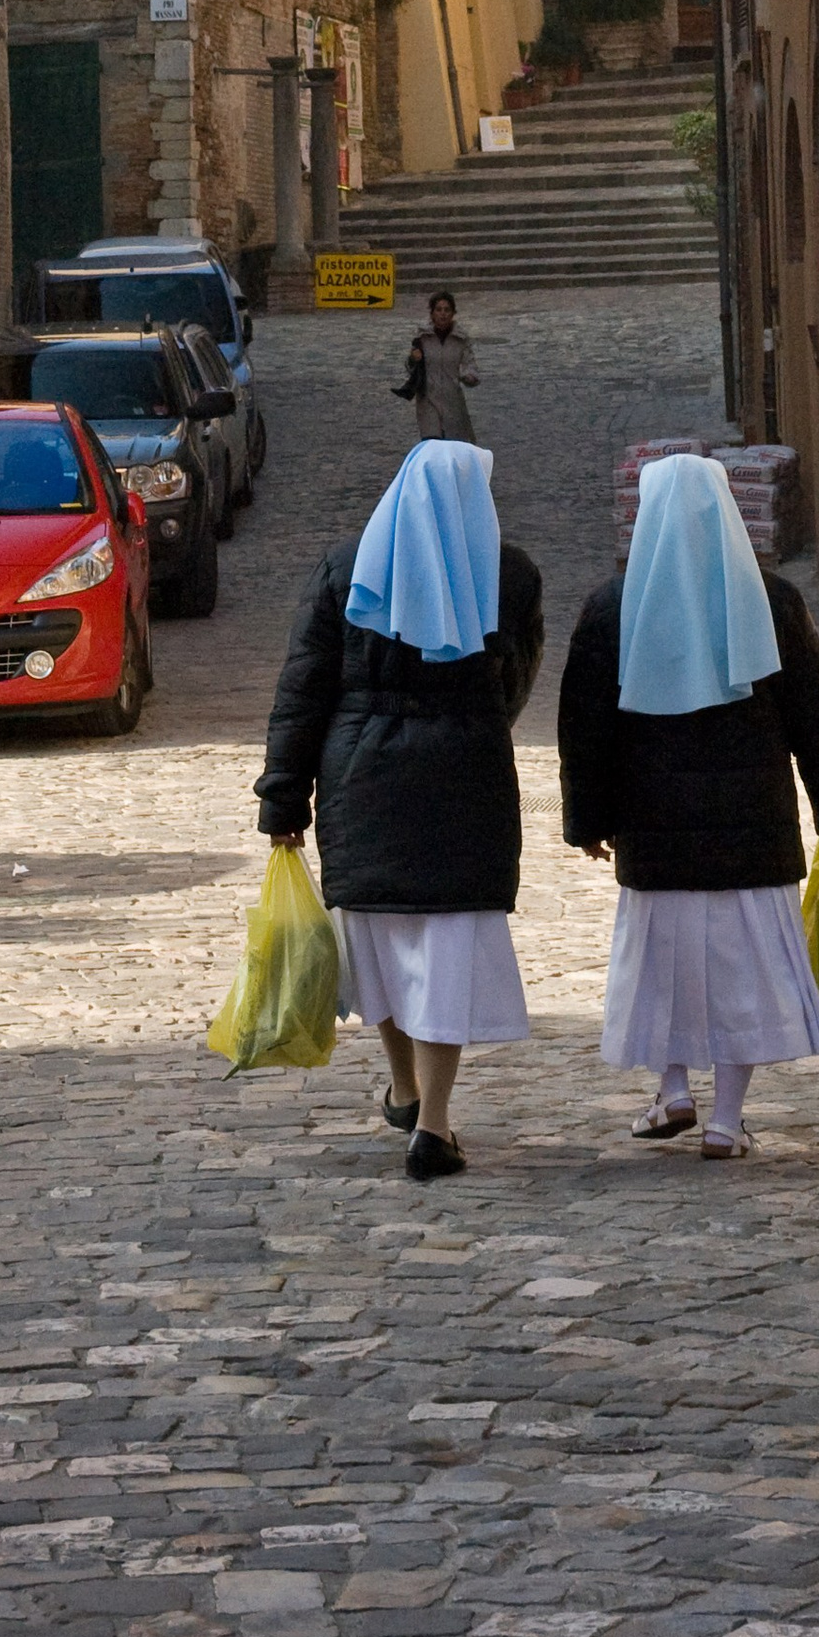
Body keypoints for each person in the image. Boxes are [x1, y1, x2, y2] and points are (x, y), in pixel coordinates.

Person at [558, 453, 819, 1159]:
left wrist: (588, 819)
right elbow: (817, 718)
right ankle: (726, 1120)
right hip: (751, 836)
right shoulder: (773, 601)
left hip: (654, 835)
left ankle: (672, 1088)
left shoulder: (614, 608)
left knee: (661, 972)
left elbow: (584, 726)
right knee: (743, 980)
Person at [255, 439, 541, 1183]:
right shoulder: (508, 574)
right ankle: (435, 1124)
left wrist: (284, 796)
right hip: (465, 778)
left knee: (378, 940)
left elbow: (302, 688)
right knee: (444, 952)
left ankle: (405, 1086)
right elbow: (515, 682)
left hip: (362, 778)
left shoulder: (345, 566)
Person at [395, 292, 478, 442]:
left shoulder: (461, 340)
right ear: (432, 313)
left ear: (453, 313)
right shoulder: (422, 337)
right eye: (439, 310)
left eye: (447, 310)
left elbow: (469, 363)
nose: (443, 314)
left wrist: (469, 376)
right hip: (428, 401)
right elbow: (410, 367)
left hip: (452, 402)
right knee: (433, 444)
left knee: (452, 448)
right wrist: (413, 359)